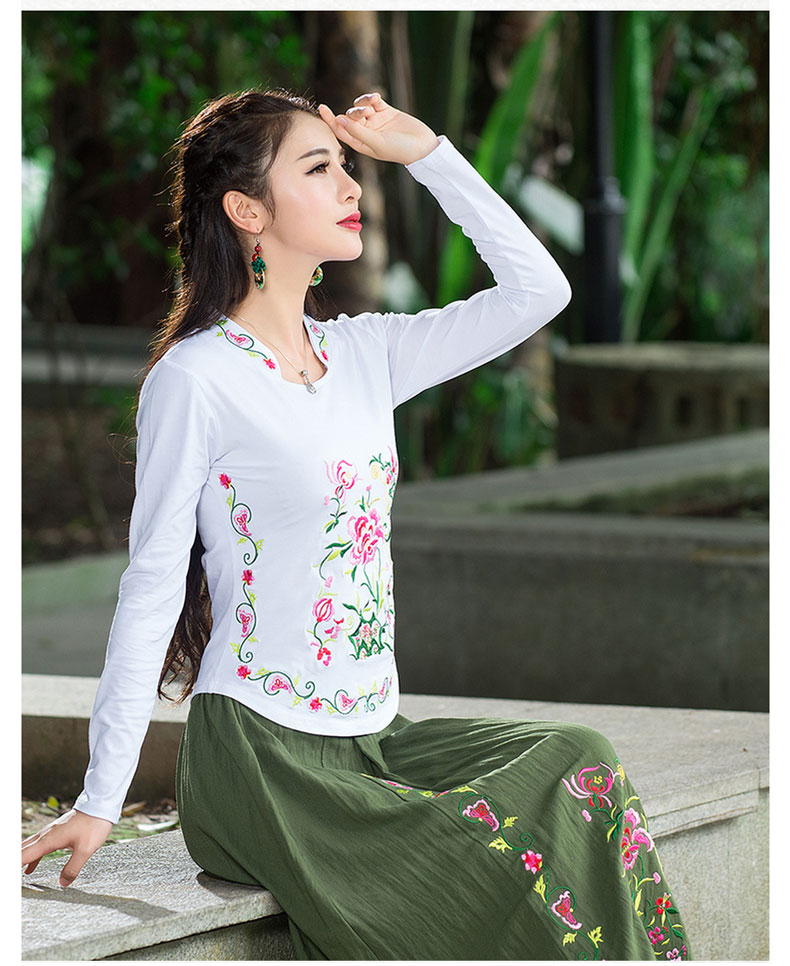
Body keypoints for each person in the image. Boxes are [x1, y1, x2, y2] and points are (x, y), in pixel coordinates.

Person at [22, 88, 691, 961]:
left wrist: (430, 155)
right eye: (319, 168)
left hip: (374, 739)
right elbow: (150, 587)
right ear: (247, 211)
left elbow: (541, 291)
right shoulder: (197, 379)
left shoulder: (364, 354)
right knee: (482, 869)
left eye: (347, 166)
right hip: (263, 758)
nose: (351, 186)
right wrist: (100, 799)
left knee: (581, 757)